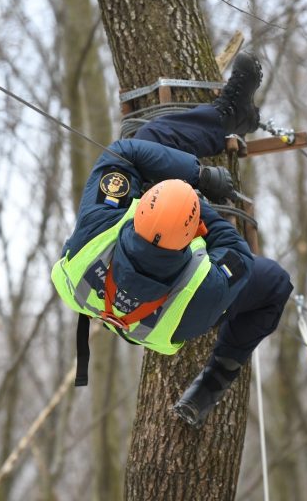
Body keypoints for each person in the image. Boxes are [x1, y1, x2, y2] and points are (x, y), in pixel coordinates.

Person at [50, 53, 293, 427]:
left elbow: (125, 152)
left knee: (148, 140)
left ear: (137, 212)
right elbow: (237, 254)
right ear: (191, 239)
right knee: (275, 283)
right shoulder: (204, 293)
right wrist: (200, 201)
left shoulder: (97, 228)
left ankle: (228, 116)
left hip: (119, 296)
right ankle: (212, 383)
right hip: (165, 318)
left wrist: (195, 174)